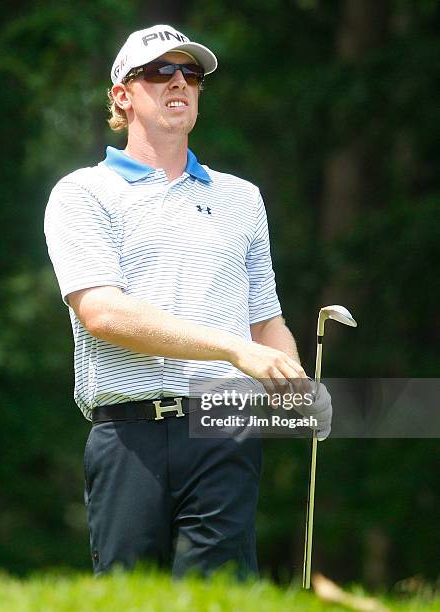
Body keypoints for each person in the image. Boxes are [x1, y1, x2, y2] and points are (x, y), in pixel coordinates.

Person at [44, 24, 332, 579]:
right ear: (122, 96)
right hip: (129, 431)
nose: (179, 81)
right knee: (133, 596)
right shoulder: (82, 192)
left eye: (190, 73)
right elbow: (103, 312)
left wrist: (292, 380)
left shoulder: (241, 198)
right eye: (159, 71)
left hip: (226, 425)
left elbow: (264, 319)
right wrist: (234, 351)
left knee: (217, 593)